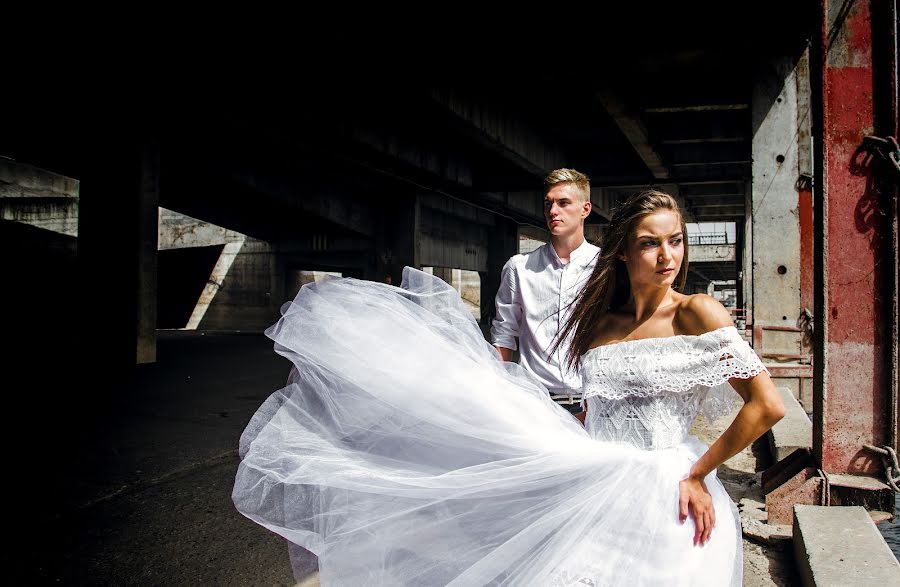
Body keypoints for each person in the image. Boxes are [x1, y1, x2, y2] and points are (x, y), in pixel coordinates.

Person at [233, 189, 784, 586]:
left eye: (676, 241)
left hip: (670, 492)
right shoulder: (601, 324)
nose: (668, 257)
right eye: (649, 244)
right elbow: (600, 410)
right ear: (622, 252)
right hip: (597, 479)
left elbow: (766, 406)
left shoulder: (696, 312)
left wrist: (697, 473)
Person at [491, 168, 600, 415]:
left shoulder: (605, 268)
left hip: (592, 404)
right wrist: (501, 394)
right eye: (548, 204)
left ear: (585, 209)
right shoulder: (519, 268)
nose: (552, 211)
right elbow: (504, 334)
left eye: (563, 203)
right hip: (535, 405)